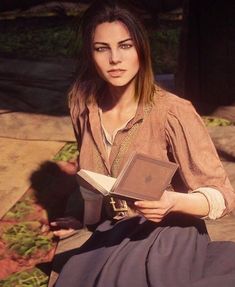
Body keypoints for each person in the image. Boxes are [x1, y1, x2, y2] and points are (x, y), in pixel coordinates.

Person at [52, 1, 235, 286]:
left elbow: (223, 196)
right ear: (90, 53)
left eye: (125, 46)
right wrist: (84, 223)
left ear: (141, 50)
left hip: (168, 232)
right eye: (102, 48)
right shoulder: (82, 106)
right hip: (114, 229)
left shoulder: (173, 111)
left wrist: (173, 201)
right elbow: (94, 183)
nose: (115, 59)